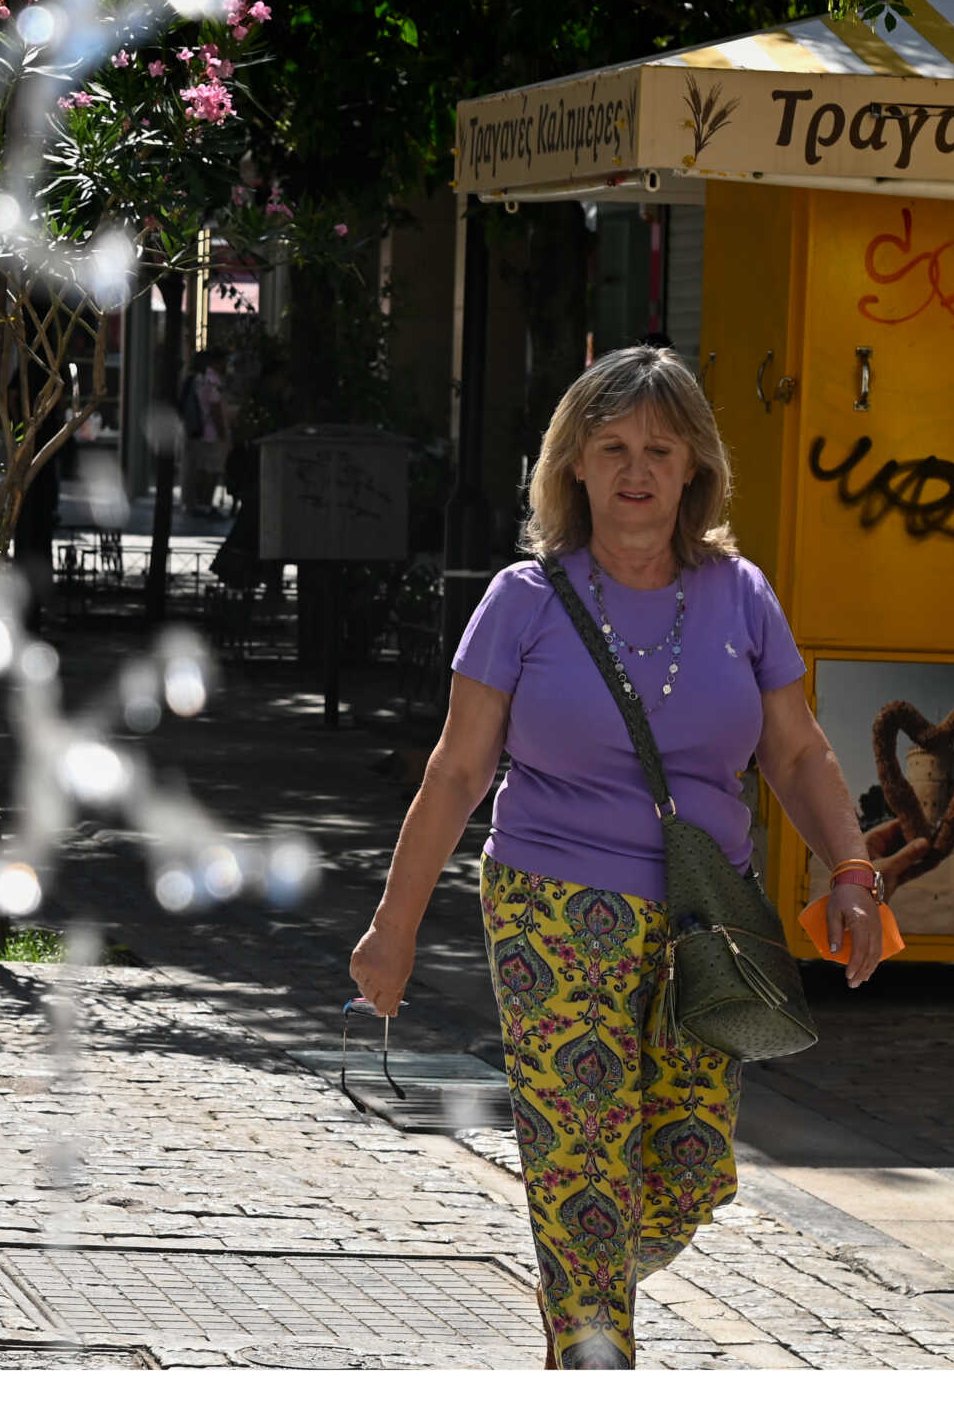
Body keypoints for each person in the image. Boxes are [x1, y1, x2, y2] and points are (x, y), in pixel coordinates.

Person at [348, 346, 886, 1370]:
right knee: (583, 1160)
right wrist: (394, 928)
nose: (635, 469)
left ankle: (583, 1269)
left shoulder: (739, 596)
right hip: (552, 904)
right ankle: (590, 1338)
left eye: (658, 448)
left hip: (707, 917)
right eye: (611, 449)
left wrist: (850, 871)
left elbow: (797, 751)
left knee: (689, 1171)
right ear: (574, 469)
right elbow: (456, 773)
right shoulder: (522, 600)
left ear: (693, 471)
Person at [177, 346, 229, 514]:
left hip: (194, 430)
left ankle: (197, 502)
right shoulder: (211, 381)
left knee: (198, 468)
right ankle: (204, 503)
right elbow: (215, 409)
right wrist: (223, 433)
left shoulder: (195, 379)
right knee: (211, 469)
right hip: (209, 433)